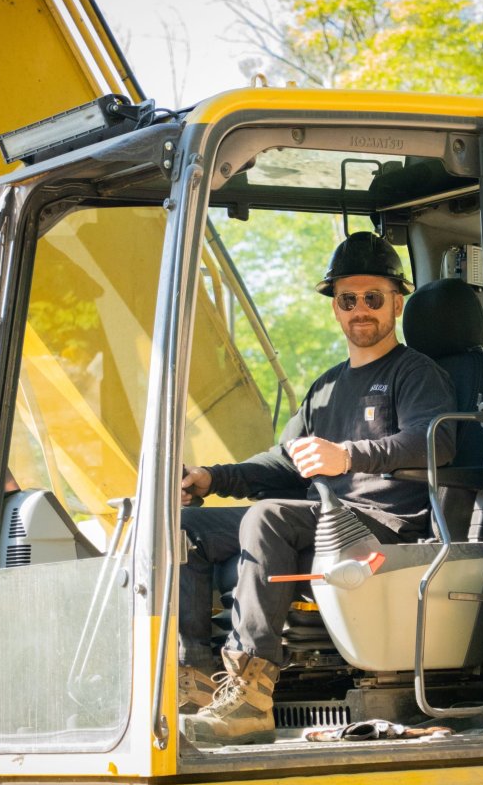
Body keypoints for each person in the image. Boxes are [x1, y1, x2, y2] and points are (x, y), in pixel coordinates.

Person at [179, 231, 457, 745]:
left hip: (382, 529)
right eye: (347, 300)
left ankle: (251, 695)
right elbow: (285, 462)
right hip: (318, 520)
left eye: (373, 298)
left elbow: (433, 443)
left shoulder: (417, 373)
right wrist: (212, 478)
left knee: (269, 518)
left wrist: (347, 455)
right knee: (183, 528)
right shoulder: (325, 387)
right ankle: (195, 685)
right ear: (336, 308)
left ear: (397, 301)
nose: (360, 311)